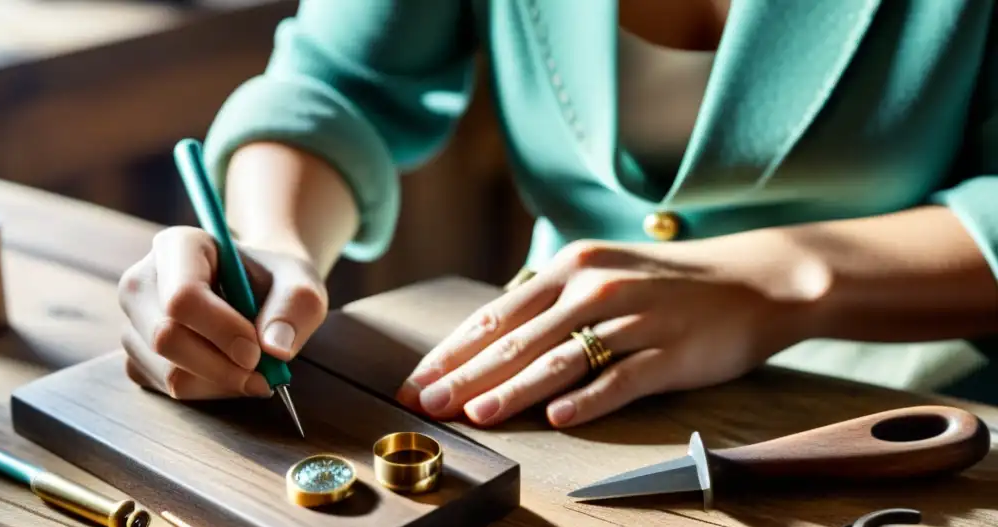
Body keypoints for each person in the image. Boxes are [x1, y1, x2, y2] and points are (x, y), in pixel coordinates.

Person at [117, 0, 998, 429]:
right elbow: (338, 84)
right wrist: (270, 246)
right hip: (558, 394)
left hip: (933, 418)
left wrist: (784, 281)